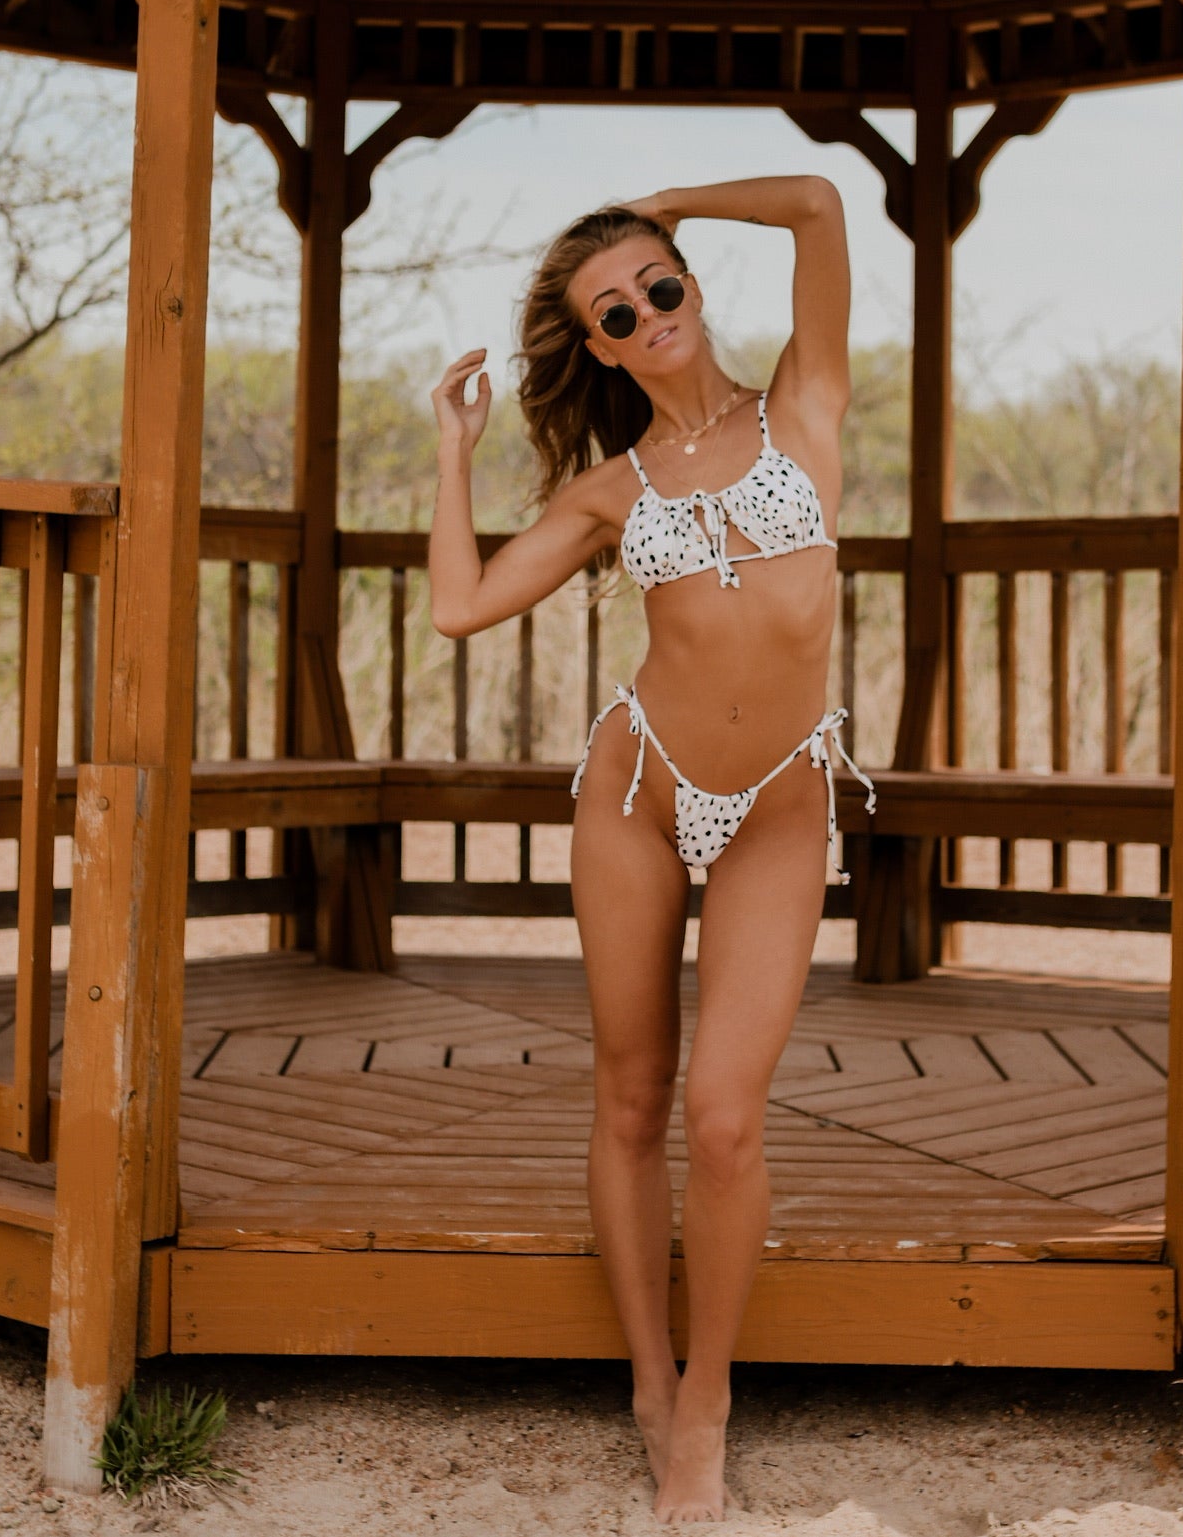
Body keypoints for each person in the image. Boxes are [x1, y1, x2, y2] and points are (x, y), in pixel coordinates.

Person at [429, 178, 871, 1527]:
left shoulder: (804, 406)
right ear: (603, 348)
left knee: (724, 1117)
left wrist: (671, 203)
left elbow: (818, 202)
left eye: (659, 284)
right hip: (636, 790)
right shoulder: (607, 490)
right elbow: (457, 607)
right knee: (632, 1096)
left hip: (782, 799)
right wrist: (451, 450)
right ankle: (646, 1371)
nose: (646, 313)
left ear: (689, 284)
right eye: (614, 312)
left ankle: (710, 1400)